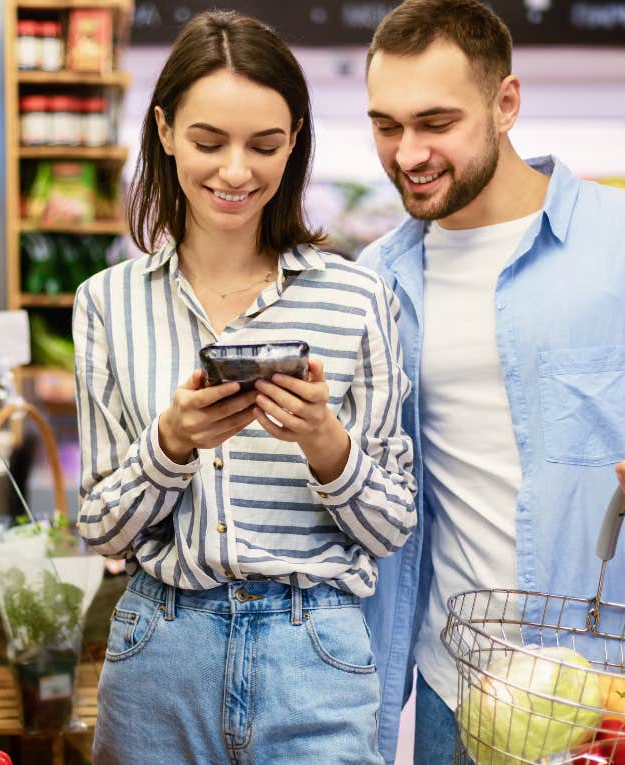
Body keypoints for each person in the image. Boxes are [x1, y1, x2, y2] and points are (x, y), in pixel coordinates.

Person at [354, 1, 625, 762]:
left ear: (506, 102)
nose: (408, 153)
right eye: (387, 126)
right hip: (463, 689)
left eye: (436, 122)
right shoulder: (378, 280)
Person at [73, 10, 417, 764]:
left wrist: (328, 445)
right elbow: (100, 528)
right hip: (160, 651)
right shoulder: (107, 302)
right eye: (208, 142)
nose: (236, 172)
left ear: (294, 141)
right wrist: (170, 444)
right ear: (164, 130)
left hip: (316, 656)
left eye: (264, 145)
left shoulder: (360, 298)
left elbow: (393, 525)